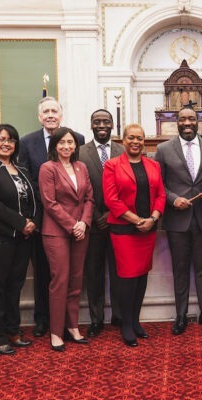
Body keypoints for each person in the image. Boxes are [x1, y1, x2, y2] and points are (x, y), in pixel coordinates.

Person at [155, 107, 202, 335]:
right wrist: (173, 200)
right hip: (178, 219)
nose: (187, 122)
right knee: (180, 268)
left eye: (191, 119)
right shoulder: (164, 149)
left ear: (198, 121)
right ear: (177, 122)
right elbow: (159, 185)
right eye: (183, 118)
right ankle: (181, 314)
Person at [18, 96, 84, 338]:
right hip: (41, 217)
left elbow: (85, 191)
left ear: (61, 115)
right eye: (45, 111)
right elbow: (26, 179)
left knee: (71, 276)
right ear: (39, 116)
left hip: (74, 222)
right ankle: (43, 320)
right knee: (45, 273)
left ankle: (68, 324)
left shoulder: (77, 139)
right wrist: (47, 201)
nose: (50, 115)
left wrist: (80, 222)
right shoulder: (27, 142)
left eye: (54, 111)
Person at [0, 124, 39, 355]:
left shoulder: (21, 169)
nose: (6, 143)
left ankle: (13, 330)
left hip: (23, 238)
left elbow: (33, 199)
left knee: (15, 287)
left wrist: (32, 222)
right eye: (1, 139)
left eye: (11, 140)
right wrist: (21, 223)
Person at [102, 124, 166, 347]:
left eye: (140, 138)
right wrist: (137, 220)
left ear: (144, 140)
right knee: (127, 278)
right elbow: (111, 200)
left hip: (148, 229)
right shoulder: (112, 165)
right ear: (123, 140)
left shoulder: (153, 165)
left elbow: (160, 194)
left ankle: (137, 321)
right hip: (124, 229)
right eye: (131, 137)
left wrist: (153, 218)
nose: (136, 142)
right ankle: (126, 324)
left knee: (141, 276)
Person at [39, 127, 94, 351]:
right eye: (61, 143)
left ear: (75, 145)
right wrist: (73, 225)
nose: (66, 146)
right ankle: (56, 331)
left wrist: (84, 223)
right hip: (56, 232)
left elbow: (90, 198)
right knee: (60, 281)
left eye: (70, 142)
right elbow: (49, 203)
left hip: (81, 230)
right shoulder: (48, 168)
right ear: (54, 146)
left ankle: (72, 326)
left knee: (76, 280)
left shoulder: (81, 167)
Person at [80, 109, 125, 337]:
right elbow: (79, 188)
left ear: (112, 125)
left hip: (118, 221)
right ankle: (96, 319)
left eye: (106, 121)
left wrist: (112, 214)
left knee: (119, 271)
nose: (101, 125)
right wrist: (97, 214)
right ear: (91, 125)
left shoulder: (123, 150)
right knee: (94, 272)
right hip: (92, 222)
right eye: (96, 121)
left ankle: (118, 315)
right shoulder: (80, 153)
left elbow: (130, 187)